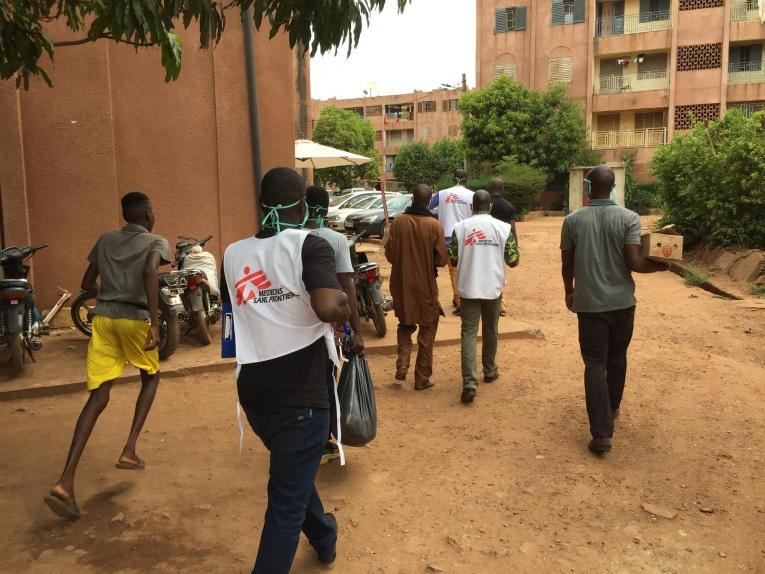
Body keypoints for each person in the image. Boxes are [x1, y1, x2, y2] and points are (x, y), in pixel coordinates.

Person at [222, 167, 350, 573]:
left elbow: (233, 322)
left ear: (262, 205)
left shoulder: (232, 253)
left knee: (291, 474)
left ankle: (325, 537)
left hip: (254, 390)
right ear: (304, 204)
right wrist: (346, 305)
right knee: (284, 507)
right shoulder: (309, 246)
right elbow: (329, 307)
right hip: (302, 395)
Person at [44, 192, 170, 519]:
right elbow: (149, 272)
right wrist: (155, 324)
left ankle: (65, 481)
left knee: (98, 396)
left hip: (102, 320)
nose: (154, 213)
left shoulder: (105, 238)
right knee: (151, 377)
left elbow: (87, 282)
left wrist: (112, 293)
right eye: (152, 209)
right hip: (134, 320)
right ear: (145, 213)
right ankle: (129, 449)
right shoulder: (156, 241)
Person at [560, 165, 670, 454]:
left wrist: (569, 291)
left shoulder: (572, 221)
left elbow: (567, 264)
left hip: (590, 304)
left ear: (587, 188)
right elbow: (635, 262)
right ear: (613, 188)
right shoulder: (629, 218)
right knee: (618, 356)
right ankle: (614, 407)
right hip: (622, 303)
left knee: (595, 363)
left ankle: (601, 434)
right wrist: (664, 265)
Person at [304, 184, 364, 465]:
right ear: (327, 209)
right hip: (327, 325)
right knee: (326, 379)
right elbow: (347, 286)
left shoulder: (288, 237)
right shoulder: (336, 240)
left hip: (295, 323)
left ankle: (303, 436)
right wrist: (356, 329)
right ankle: (324, 440)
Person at [450, 190, 519, 404]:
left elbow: (452, 259)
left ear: (472, 206)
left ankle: (469, 383)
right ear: (489, 207)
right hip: (493, 287)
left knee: (469, 333)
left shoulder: (460, 228)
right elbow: (513, 260)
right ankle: (489, 370)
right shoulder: (503, 228)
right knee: (491, 328)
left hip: (468, 287)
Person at [385, 184, 448, 390]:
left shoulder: (397, 223)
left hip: (401, 285)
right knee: (427, 329)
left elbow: (390, 256)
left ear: (412, 198)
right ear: (429, 201)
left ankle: (403, 362)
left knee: (405, 324)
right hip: (425, 286)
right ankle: (421, 377)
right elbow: (441, 260)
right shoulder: (434, 225)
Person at [429, 168, 474, 315]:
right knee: (468, 270)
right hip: (468, 238)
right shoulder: (472, 195)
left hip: (447, 238)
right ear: (466, 180)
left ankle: (459, 301)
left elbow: (427, 206)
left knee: (453, 271)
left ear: (453, 178)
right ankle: (466, 300)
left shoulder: (441, 194)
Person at [488, 178, 520, 317]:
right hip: (501, 244)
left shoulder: (483, 203)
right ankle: (499, 304)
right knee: (499, 272)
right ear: (502, 189)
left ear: (491, 189)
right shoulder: (508, 206)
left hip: (483, 242)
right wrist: (515, 248)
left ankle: (484, 300)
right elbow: (512, 228)